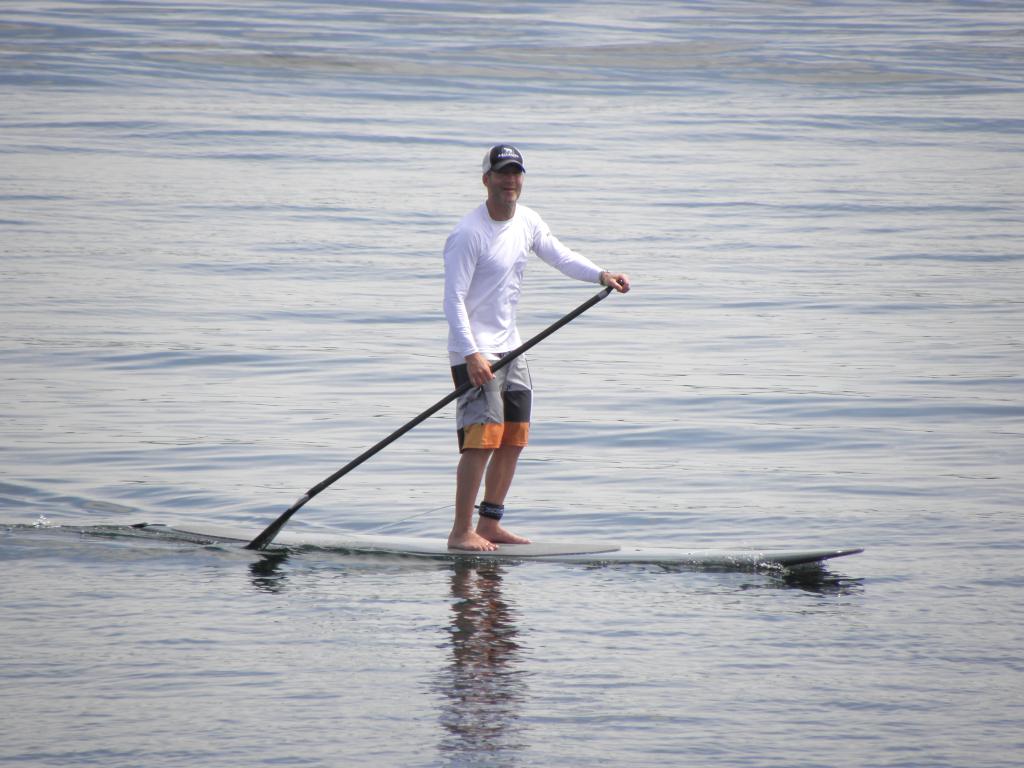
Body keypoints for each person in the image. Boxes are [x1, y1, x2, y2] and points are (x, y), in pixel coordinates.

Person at [442, 144, 630, 551]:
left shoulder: (528, 221)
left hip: (513, 347)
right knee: (482, 440)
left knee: (515, 436)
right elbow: (452, 299)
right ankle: (460, 532)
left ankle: (489, 524)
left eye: (516, 173)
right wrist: (471, 354)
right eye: (502, 173)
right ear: (486, 180)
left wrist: (601, 274)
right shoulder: (468, 233)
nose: (510, 181)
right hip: (476, 352)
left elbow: (560, 256)